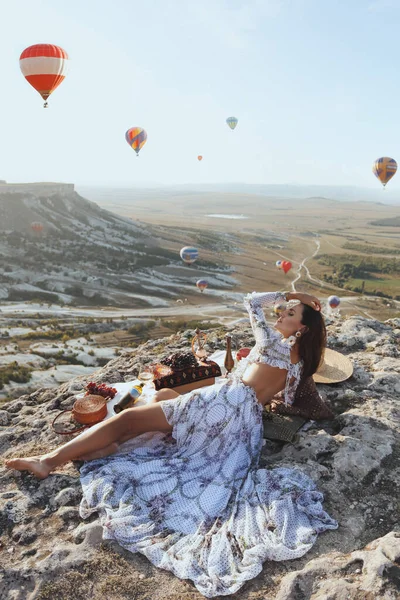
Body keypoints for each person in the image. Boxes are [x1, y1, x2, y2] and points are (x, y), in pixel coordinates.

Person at [5, 291, 338, 598]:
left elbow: (251, 302)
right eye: (283, 309)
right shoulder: (297, 364)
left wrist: (291, 294)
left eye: (289, 313)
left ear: (303, 329)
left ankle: (48, 460)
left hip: (221, 405)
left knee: (126, 420)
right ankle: (109, 447)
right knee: (163, 397)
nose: (280, 313)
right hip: (241, 424)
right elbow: (293, 398)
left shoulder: (273, 344)